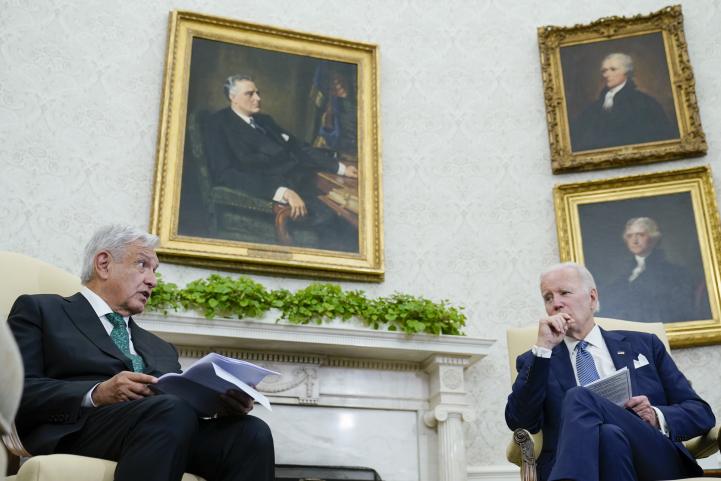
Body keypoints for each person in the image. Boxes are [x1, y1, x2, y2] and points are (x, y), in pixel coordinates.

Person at [7, 225, 275, 481]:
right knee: (170, 410)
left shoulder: (161, 347)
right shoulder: (42, 311)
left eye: (154, 270)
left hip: (163, 429)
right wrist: (97, 392)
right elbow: (15, 391)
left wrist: (220, 406)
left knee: (251, 433)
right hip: (77, 429)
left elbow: (182, 405)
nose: (153, 281)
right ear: (104, 264)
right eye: (142, 265)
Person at [505, 262, 714, 481]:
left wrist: (655, 416)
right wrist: (542, 350)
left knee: (579, 396)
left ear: (592, 298)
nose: (556, 303)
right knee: (608, 435)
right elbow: (520, 421)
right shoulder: (538, 360)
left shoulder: (645, 345)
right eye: (548, 298)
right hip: (594, 464)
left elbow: (700, 413)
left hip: (655, 457)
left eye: (564, 293)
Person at [203, 74, 358, 251]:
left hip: (302, 185)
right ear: (233, 98)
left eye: (258, 93)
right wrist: (281, 192)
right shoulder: (218, 124)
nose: (258, 98)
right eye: (250, 94)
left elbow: (299, 147)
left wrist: (341, 168)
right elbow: (226, 174)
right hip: (269, 196)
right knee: (340, 222)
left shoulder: (264, 121)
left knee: (347, 214)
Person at [599, 217, 709, 323]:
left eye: (640, 235)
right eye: (629, 236)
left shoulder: (674, 273)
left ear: (654, 239)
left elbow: (678, 311)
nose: (634, 241)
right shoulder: (625, 274)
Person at [570, 53, 678, 152]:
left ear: (626, 72)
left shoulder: (645, 103)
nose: (606, 75)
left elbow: (660, 139)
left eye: (613, 69)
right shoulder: (594, 107)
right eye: (604, 71)